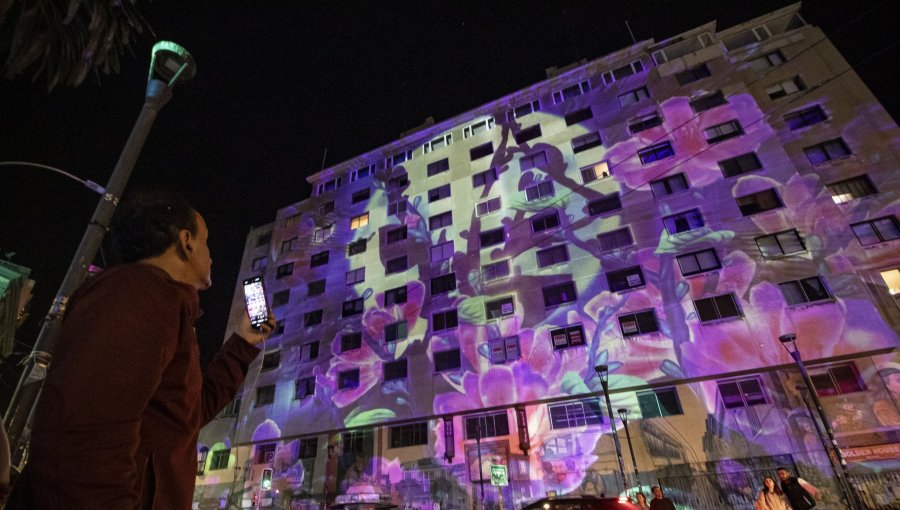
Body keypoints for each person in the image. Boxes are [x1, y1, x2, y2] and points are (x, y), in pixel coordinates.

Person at [6, 191, 275, 509]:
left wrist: (242, 345)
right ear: (186, 241)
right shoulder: (137, 294)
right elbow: (86, 440)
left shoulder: (164, 305)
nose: (212, 256)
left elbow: (184, 416)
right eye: (207, 242)